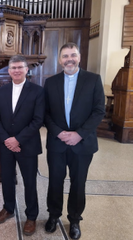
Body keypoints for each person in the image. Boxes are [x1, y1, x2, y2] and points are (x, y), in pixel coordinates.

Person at [44, 42, 105, 239]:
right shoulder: (50, 82)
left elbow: (98, 111)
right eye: (65, 56)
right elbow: (45, 113)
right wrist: (58, 132)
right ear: (60, 60)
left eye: (73, 55)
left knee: (78, 183)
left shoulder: (93, 80)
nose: (69, 59)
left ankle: (75, 219)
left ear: (79, 57)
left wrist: (79, 134)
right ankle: (53, 215)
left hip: (83, 142)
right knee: (55, 181)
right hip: (57, 142)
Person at [0, 55, 45, 236]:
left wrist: (18, 140)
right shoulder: (1, 91)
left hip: (27, 145)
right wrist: (7, 139)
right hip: (6, 144)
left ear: (26, 70)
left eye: (20, 67)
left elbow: (38, 120)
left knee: (29, 181)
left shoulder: (37, 91)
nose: (16, 70)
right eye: (13, 68)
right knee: (7, 178)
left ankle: (31, 216)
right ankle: (8, 208)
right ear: (9, 71)